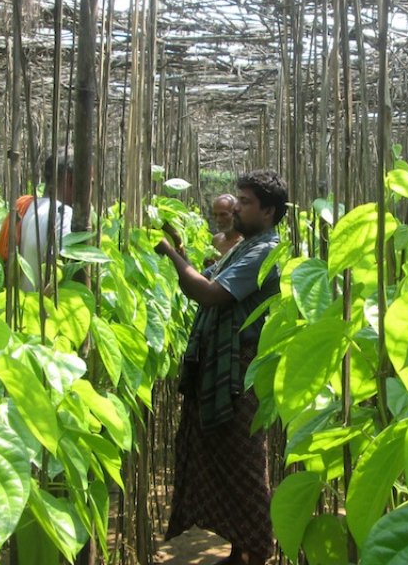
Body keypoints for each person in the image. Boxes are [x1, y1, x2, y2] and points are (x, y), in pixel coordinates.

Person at [157, 170, 287, 565]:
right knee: (226, 459)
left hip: (242, 375)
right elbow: (200, 282)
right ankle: (238, 548)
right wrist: (180, 250)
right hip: (226, 371)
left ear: (268, 211)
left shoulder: (265, 250)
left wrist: (173, 255)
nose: (235, 211)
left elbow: (210, 294)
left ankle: (255, 550)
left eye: (245, 203)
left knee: (245, 463)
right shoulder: (245, 246)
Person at [0, 151, 75, 291]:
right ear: (69, 181)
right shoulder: (63, 213)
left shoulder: (25, 207)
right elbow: (59, 274)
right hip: (44, 309)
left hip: (22, 307)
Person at [211, 193, 243, 258]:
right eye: (215, 215)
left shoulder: (245, 242)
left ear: (236, 214)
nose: (218, 220)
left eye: (223, 214)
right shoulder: (216, 240)